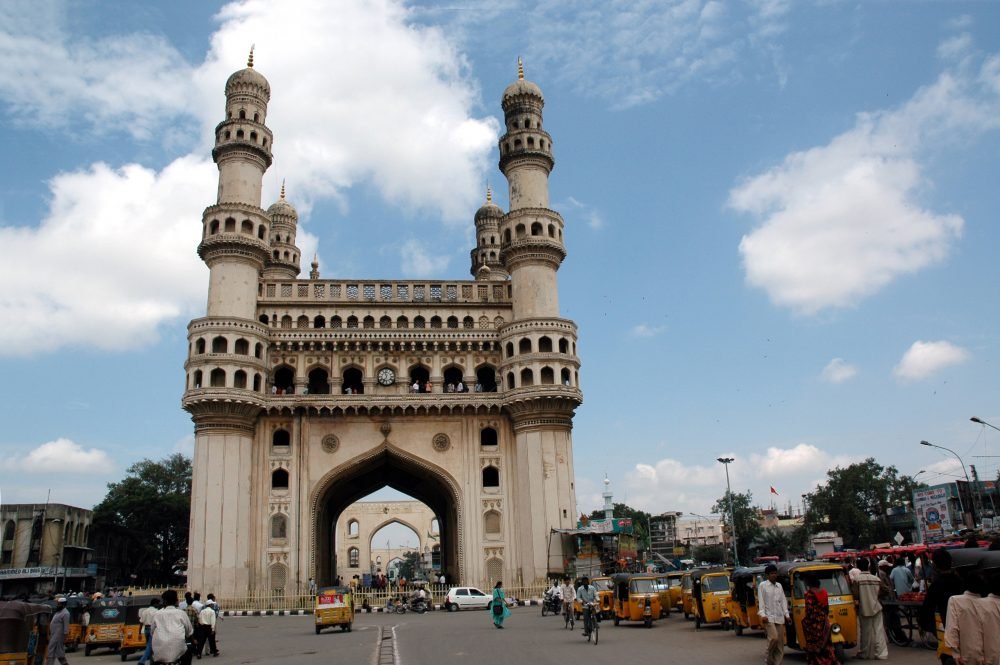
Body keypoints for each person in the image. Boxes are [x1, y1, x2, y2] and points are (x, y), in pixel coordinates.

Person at [919, 548, 964, 658]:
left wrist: (928, 626)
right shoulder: (960, 581)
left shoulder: (936, 585)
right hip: (965, 628)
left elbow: (927, 610)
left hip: (946, 629)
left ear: (935, 565)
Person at [945, 572, 985, 665]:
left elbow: (952, 628)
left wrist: (956, 653)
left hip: (966, 653)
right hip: (987, 654)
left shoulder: (955, 600)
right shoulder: (988, 603)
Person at [853, 558, 889, 660]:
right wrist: (877, 596)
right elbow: (886, 590)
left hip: (864, 608)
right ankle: (881, 654)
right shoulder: (876, 579)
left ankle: (864, 653)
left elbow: (855, 595)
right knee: (879, 631)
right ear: (868, 565)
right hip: (876, 607)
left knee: (865, 632)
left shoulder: (857, 580)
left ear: (858, 567)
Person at [150, 589, 194, 665]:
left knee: (153, 658)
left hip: (160, 650)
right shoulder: (181, 613)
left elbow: (152, 631)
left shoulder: (157, 614)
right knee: (188, 652)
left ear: (164, 601)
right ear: (176, 601)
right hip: (179, 649)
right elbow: (189, 631)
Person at [759, 564, 790, 665]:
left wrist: (787, 615)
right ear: (767, 575)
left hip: (780, 617)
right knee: (774, 638)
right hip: (769, 617)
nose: (774, 575)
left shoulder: (779, 586)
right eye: (772, 573)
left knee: (780, 643)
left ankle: (777, 663)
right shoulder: (762, 586)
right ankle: (768, 657)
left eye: (775, 573)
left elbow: (783, 601)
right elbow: (761, 602)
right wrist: (762, 614)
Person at [802, 574, 837, 665]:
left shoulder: (808, 594)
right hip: (824, 623)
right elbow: (827, 609)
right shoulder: (824, 592)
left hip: (813, 626)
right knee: (826, 646)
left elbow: (809, 611)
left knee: (814, 649)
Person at [137, 597, 161, 665]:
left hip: (146, 630)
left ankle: (152, 661)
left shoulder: (145, 611)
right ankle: (141, 661)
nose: (158, 605)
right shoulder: (156, 611)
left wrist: (139, 633)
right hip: (152, 630)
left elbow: (141, 622)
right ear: (154, 604)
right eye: (158, 604)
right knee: (150, 646)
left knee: (150, 646)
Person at [46, 597, 70, 665]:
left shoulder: (66, 613)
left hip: (58, 637)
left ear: (63, 604)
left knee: (51, 652)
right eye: (57, 604)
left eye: (59, 604)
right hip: (53, 636)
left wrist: (65, 638)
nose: (57, 605)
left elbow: (66, 627)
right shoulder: (57, 612)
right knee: (59, 654)